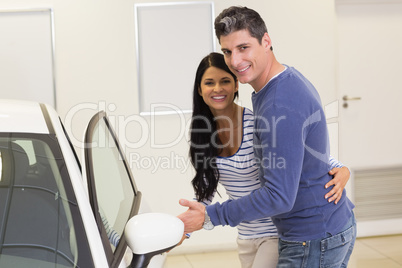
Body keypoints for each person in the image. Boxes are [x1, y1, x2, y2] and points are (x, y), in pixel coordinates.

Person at [178, 6, 356, 268]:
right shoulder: (276, 87)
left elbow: (278, 196)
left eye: (243, 48)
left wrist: (210, 217)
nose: (235, 61)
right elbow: (304, 152)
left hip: (312, 236)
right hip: (321, 229)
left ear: (266, 41)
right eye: (227, 51)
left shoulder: (277, 103)